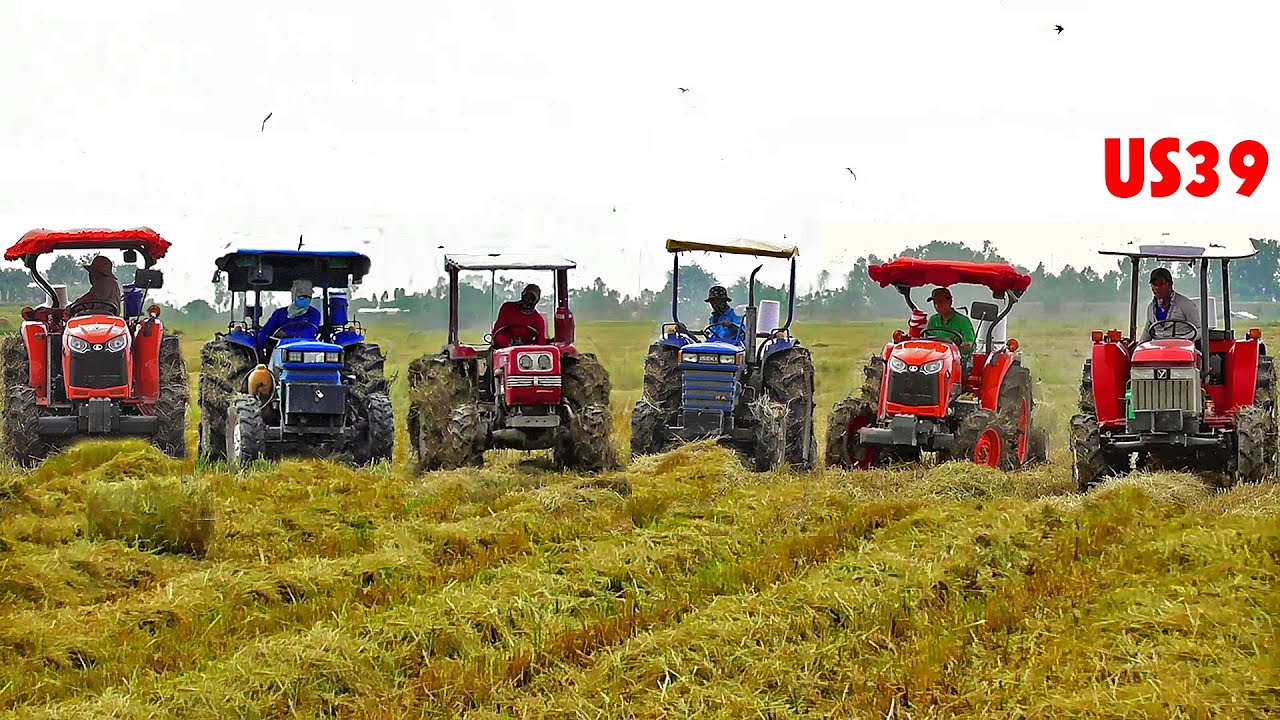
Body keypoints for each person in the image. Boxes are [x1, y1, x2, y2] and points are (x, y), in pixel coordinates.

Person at [1138, 267, 1201, 343]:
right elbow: (1147, 331)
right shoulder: (1151, 308)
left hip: (1181, 347)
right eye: (1154, 284)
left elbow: (1199, 329)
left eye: (1161, 284)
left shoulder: (1186, 305)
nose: (1157, 287)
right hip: (1158, 347)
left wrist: (1184, 339)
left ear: (1169, 284)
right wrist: (1139, 345)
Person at [257, 278, 322, 349]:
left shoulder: (314, 314)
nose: (305, 299)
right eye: (302, 296)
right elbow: (265, 331)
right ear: (294, 295)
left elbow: (309, 332)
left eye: (308, 297)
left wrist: (288, 334)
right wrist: (260, 348)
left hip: (307, 348)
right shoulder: (280, 313)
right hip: (280, 347)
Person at [925, 287, 976, 363]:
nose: (937, 306)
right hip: (935, 360)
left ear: (950, 302)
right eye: (935, 302)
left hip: (957, 360)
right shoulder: (933, 320)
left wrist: (965, 346)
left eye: (940, 301)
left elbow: (970, 344)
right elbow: (926, 340)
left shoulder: (963, 321)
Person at [492, 283, 546, 348]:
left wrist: (525, 347)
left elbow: (541, 344)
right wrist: (509, 344)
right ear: (522, 294)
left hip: (525, 353)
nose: (528, 300)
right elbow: (497, 332)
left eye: (532, 298)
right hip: (503, 349)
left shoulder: (538, 320)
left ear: (536, 301)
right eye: (526, 296)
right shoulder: (507, 308)